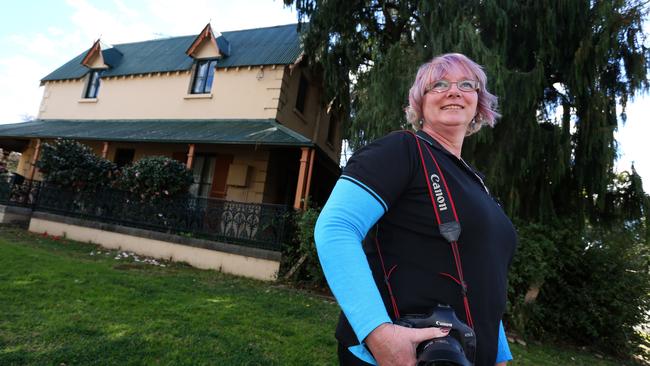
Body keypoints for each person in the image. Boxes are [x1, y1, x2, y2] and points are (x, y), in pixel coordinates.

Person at [314, 53, 517, 366]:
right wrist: (379, 335)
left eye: (467, 84)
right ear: (420, 103)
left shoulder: (477, 183)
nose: (454, 91)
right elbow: (336, 228)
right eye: (439, 84)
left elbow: (486, 278)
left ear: (479, 102)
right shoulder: (401, 150)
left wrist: (499, 355)